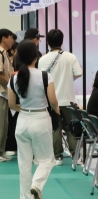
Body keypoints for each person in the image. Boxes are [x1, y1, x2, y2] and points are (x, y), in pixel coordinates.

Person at [7, 40, 59, 199]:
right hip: (41, 120)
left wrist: (24, 108)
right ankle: (36, 186)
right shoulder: (45, 76)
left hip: (22, 121)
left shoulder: (14, 78)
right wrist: (59, 111)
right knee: (46, 160)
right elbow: (53, 101)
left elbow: (12, 104)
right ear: (35, 57)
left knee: (24, 163)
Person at [38, 29, 83, 166]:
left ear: (48, 42)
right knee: (70, 128)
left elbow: (41, 79)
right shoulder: (70, 57)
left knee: (55, 128)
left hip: (51, 100)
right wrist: (69, 79)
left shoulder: (43, 59)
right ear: (62, 41)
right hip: (68, 99)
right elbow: (79, 73)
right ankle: (76, 156)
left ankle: (58, 157)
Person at [0, 29, 15, 162]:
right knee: (0, 123)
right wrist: (11, 85)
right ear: (4, 38)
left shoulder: (5, 54)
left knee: (4, 124)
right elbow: (0, 75)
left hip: (4, 93)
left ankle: (1, 151)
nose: (12, 41)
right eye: (10, 38)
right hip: (1, 92)